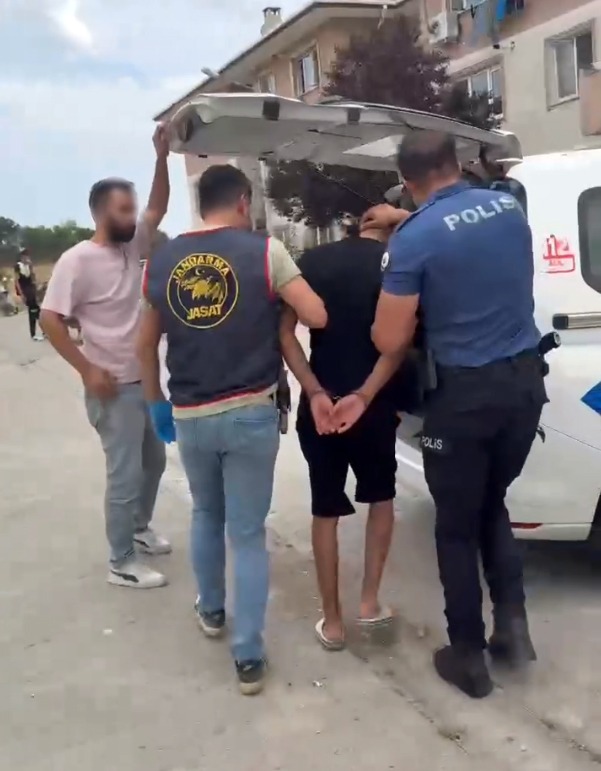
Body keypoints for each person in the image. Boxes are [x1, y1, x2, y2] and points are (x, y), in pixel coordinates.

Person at [366, 131, 547, 699]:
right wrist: (409, 219)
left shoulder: (413, 240)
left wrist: (402, 238)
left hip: (464, 399)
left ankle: (467, 656)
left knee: (456, 526)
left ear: (406, 181)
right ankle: (513, 631)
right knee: (493, 502)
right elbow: (462, 223)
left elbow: (389, 338)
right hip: (524, 387)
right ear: (457, 163)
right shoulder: (508, 206)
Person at [138, 164, 327, 695]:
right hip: (250, 411)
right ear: (243, 201)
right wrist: (280, 315)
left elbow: (144, 344)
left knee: (206, 513)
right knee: (246, 534)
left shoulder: (162, 261)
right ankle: (247, 657)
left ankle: (212, 611)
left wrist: (155, 404)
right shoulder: (265, 251)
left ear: (203, 202)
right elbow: (315, 315)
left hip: (190, 415)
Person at [40, 126, 172, 590]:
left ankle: (138, 528)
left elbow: (158, 207)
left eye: (132, 208)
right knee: (124, 475)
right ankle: (121, 562)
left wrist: (162, 157)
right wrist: (87, 369)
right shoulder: (76, 260)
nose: (134, 217)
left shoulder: (132, 244)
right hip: (111, 388)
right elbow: (50, 318)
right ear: (100, 213)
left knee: (154, 464)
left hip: (144, 382)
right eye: (124, 210)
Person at [279, 215, 408, 651]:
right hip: (374, 404)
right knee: (381, 499)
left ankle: (333, 624)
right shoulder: (396, 263)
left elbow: (285, 334)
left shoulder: (312, 260)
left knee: (325, 510)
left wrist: (313, 389)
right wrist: (368, 395)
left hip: (322, 407)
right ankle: (369, 602)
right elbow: (400, 342)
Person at [14, 248, 44, 341]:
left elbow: (33, 278)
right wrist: (21, 294)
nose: (26, 258)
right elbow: (16, 281)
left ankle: (44, 330)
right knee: (33, 311)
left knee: (37, 311)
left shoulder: (29, 265)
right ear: (21, 257)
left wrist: (31, 267)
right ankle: (33, 333)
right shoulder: (18, 266)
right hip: (25, 289)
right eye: (25, 256)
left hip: (31, 289)